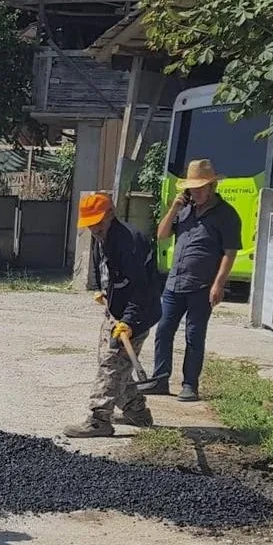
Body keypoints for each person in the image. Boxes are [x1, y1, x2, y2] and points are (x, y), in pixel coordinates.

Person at [143, 159, 243, 402]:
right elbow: (162, 234)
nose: (195, 192)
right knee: (164, 330)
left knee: (194, 336)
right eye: (192, 188)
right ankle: (160, 379)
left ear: (211, 187)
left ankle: (190, 385)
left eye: (200, 187)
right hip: (174, 283)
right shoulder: (184, 210)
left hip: (202, 286)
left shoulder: (226, 215)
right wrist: (174, 209)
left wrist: (219, 284)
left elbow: (230, 252)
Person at [64, 193, 162, 439]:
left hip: (138, 311)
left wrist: (129, 321)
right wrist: (100, 289)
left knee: (111, 364)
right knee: (113, 364)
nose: (94, 228)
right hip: (116, 308)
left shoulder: (130, 242)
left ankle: (99, 420)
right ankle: (136, 411)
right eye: (90, 223)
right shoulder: (100, 236)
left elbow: (141, 287)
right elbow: (100, 265)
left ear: (110, 214)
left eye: (98, 221)